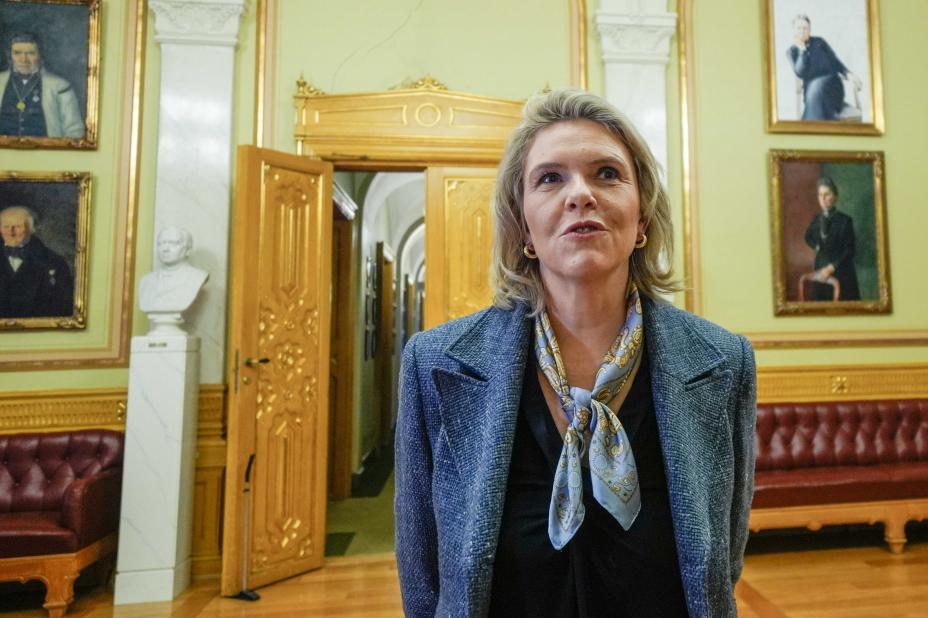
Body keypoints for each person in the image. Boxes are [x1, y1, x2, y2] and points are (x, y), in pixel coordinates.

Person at [394, 90, 757, 617]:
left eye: (607, 174)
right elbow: (424, 574)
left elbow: (723, 559)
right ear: (523, 227)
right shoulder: (435, 364)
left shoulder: (722, 361)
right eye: (550, 178)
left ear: (642, 218)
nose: (580, 195)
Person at [0, 33, 85, 138]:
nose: (24, 60)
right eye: (17, 53)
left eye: (31, 53)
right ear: (10, 55)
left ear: (40, 55)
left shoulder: (60, 86)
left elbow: (74, 130)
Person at [0, 205, 73, 318]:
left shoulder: (54, 262)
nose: (11, 232)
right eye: (6, 226)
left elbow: (64, 308)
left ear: (32, 229)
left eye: (18, 227)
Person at [787, 14, 861, 121]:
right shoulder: (792, 52)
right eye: (799, 28)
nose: (802, 31)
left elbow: (835, 61)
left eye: (805, 28)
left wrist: (848, 73)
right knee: (815, 89)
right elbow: (800, 73)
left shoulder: (820, 42)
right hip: (811, 92)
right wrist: (802, 51)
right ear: (794, 30)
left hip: (833, 86)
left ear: (809, 30)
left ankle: (810, 126)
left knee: (817, 87)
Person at [138, 226, 208, 335]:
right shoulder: (146, 281)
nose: (165, 249)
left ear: (187, 250)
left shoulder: (197, 277)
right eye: (161, 243)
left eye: (173, 243)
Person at [803, 176, 860, 301]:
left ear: (835, 197)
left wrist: (831, 268)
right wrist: (817, 246)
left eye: (827, 194)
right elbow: (807, 236)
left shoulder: (845, 221)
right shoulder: (816, 219)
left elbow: (849, 251)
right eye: (820, 195)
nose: (823, 199)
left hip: (841, 271)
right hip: (820, 269)